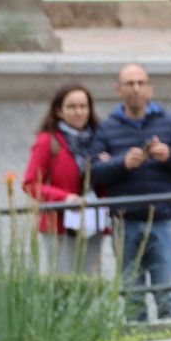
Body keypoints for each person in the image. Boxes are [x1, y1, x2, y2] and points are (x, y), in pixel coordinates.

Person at [91, 64, 171, 322]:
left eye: (140, 83)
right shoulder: (107, 128)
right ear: (119, 90)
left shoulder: (169, 123)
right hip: (124, 222)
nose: (136, 89)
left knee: (167, 294)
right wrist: (121, 163)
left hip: (161, 219)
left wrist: (169, 155)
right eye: (129, 84)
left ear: (150, 89)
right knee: (132, 297)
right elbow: (93, 173)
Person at [23, 82, 107, 276]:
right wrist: (64, 199)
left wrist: (108, 165)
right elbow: (30, 184)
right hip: (59, 226)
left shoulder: (100, 140)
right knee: (64, 283)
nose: (79, 112)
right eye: (72, 107)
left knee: (91, 282)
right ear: (59, 111)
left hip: (94, 221)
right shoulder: (48, 141)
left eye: (83, 106)